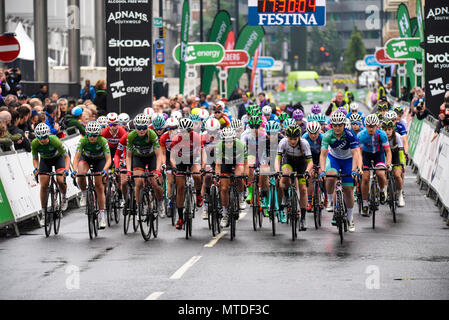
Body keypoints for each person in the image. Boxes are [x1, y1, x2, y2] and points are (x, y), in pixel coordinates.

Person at [320, 112, 360, 232]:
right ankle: (331, 200)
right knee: (331, 176)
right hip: (334, 159)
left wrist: (354, 170)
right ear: (332, 125)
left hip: (348, 160)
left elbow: (355, 153)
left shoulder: (349, 134)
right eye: (335, 125)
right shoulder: (327, 135)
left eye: (340, 125)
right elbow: (323, 155)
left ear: (344, 125)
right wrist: (322, 171)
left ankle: (350, 217)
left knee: (348, 190)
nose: (337, 128)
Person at [71, 121, 112, 229]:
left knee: (99, 187)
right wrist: (74, 170)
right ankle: (84, 193)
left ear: (98, 134)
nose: (92, 137)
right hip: (87, 159)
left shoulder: (102, 141)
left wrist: (104, 170)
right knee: (81, 173)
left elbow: (108, 160)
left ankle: (102, 217)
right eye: (90, 135)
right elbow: (76, 157)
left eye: (95, 135)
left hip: (100, 161)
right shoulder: (83, 140)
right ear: (87, 134)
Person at [126, 113, 164, 220]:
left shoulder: (152, 134)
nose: (141, 130)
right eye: (139, 128)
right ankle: (139, 207)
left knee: (156, 184)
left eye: (144, 128)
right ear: (135, 127)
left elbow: (159, 154)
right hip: (138, 158)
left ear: (147, 127)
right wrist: (129, 171)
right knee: (138, 183)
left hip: (152, 158)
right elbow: (128, 156)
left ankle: (160, 203)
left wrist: (157, 170)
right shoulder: (131, 136)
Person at [170, 118, 205, 230]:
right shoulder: (176, 139)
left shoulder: (196, 137)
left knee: (196, 175)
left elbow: (202, 153)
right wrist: (174, 167)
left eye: (188, 131)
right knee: (180, 188)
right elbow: (172, 157)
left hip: (194, 158)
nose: (186, 134)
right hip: (180, 160)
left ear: (191, 130)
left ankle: (198, 194)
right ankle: (180, 219)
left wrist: (203, 166)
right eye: (183, 131)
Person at [277, 124, 313, 231]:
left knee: (302, 189)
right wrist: (278, 171)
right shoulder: (283, 142)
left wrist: (307, 171)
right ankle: (286, 196)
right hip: (289, 161)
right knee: (285, 175)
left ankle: (303, 217)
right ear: (287, 137)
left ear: (299, 137)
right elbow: (277, 159)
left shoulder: (304, 143)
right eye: (290, 139)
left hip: (301, 163)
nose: (293, 141)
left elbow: (310, 162)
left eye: (295, 139)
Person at [358, 114, 392, 215]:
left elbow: (388, 151)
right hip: (366, 155)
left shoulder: (382, 134)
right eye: (369, 126)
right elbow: (358, 153)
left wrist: (388, 164)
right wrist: (359, 166)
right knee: (365, 179)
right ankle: (364, 204)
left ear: (377, 126)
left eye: (373, 126)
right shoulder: (361, 135)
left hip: (379, 154)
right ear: (365, 126)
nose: (371, 129)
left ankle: (382, 190)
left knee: (381, 174)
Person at [32, 123, 71, 212]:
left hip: (58, 158)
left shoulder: (54, 140)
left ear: (48, 135)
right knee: (44, 185)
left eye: (44, 137)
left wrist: (67, 169)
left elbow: (66, 157)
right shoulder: (34, 143)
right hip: (45, 160)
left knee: (60, 180)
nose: (42, 140)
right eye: (39, 137)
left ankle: (64, 197)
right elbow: (35, 158)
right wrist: (36, 168)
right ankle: (43, 211)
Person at [215, 127, 248, 228]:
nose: (229, 143)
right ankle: (225, 214)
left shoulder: (240, 145)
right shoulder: (220, 146)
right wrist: (217, 177)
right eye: (226, 141)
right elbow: (218, 165)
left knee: (239, 176)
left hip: (237, 161)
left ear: (234, 139)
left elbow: (245, 163)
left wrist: (245, 175)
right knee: (224, 188)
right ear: (223, 140)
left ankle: (241, 197)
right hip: (225, 163)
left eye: (231, 141)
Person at [382, 120, 405, 207]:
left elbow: (401, 152)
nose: (387, 132)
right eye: (385, 130)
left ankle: (400, 195)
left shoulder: (398, 137)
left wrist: (402, 164)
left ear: (392, 130)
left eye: (389, 129)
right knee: (383, 172)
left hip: (396, 155)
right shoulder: (381, 137)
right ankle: (384, 190)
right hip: (385, 155)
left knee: (397, 175)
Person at [302, 121, 324, 212]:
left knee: (323, 175)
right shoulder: (304, 138)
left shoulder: (323, 137)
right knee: (310, 177)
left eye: (315, 133)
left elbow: (326, 153)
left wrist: (322, 168)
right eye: (311, 133)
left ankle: (324, 195)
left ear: (319, 132)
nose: (313, 136)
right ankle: (310, 200)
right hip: (309, 157)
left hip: (320, 156)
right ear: (308, 132)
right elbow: (302, 154)